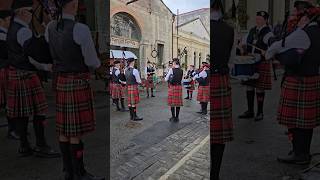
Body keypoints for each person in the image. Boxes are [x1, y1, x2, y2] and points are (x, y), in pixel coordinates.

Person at [45, 0, 104, 179]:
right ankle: (80, 173)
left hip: (61, 81)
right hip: (77, 82)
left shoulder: (50, 27)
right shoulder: (81, 29)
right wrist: (98, 66)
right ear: (73, 5)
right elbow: (92, 62)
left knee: (64, 132)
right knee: (75, 134)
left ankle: (68, 172)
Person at [266, 0, 320, 165]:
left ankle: (299, 154)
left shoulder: (303, 33)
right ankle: (302, 151)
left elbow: (278, 47)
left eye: (299, 16)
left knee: (297, 122)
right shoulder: (317, 31)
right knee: (306, 123)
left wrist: (272, 54)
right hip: (313, 78)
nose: (297, 20)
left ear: (305, 18)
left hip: (299, 79)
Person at [6, 0, 59, 158]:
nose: (31, 15)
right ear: (22, 12)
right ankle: (41, 145)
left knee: (22, 113)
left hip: (17, 73)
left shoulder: (12, 29)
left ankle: (24, 146)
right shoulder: (23, 31)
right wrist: (45, 66)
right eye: (30, 11)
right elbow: (33, 54)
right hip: (27, 75)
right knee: (40, 111)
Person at [211, 0, 235, 179]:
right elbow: (231, 61)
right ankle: (215, 175)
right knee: (218, 134)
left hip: (209, 80)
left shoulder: (206, 28)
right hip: (220, 79)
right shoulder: (228, 29)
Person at [238, 10, 274, 121]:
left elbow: (272, 44)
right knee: (249, 86)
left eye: (260, 19)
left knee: (259, 88)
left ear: (266, 20)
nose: (258, 20)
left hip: (261, 62)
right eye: (257, 18)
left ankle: (260, 112)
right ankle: (250, 111)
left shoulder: (268, 32)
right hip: (250, 61)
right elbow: (244, 42)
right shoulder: (251, 30)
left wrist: (268, 51)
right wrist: (241, 46)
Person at [0, 9, 20, 140]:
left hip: (6, 68)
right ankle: (12, 129)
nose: (10, 23)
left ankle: (15, 128)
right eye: (8, 20)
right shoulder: (2, 36)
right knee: (9, 101)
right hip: (4, 69)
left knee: (11, 101)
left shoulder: (6, 34)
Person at [165, 58, 183, 122]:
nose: (172, 64)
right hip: (179, 87)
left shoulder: (171, 70)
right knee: (178, 103)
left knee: (172, 103)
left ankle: (173, 117)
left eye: (173, 62)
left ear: (174, 63)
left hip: (173, 87)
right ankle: (177, 117)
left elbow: (166, 79)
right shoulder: (181, 70)